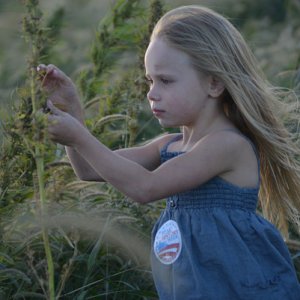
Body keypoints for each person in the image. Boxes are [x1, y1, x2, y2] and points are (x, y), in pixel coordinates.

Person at [38, 5, 300, 299]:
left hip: (240, 289)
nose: (151, 92)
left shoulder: (227, 145)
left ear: (213, 83)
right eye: (150, 80)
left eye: (166, 80)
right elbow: (88, 170)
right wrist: (72, 111)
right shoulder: (169, 145)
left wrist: (80, 137)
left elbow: (144, 188)